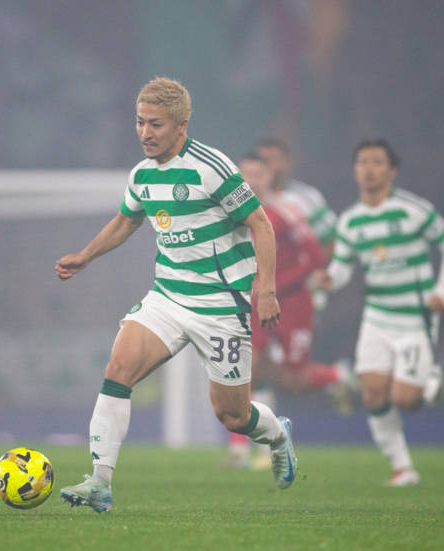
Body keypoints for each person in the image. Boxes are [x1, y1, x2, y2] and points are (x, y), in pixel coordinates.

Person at [55, 77, 298, 512]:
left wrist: (267, 290)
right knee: (118, 369)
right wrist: (86, 256)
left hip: (221, 305)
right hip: (167, 298)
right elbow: (127, 219)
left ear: (181, 125)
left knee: (233, 415)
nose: (145, 133)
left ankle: (278, 435)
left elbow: (261, 224)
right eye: (140, 122)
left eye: (156, 124)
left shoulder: (212, 167)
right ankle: (100, 482)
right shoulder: (142, 174)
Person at [313, 139, 444, 486]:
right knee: (372, 392)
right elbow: (343, 269)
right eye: (362, 162)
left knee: (405, 400)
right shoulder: (350, 221)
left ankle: (432, 376)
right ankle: (402, 468)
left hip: (415, 318)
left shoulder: (413, 210)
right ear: (355, 170)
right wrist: (330, 279)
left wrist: (443, 290)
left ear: (392, 171)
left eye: (377, 162)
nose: (369, 169)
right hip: (377, 317)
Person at [225, 153, 357, 469]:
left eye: (259, 174)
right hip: (254, 304)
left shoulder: (287, 211)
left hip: (293, 303)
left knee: (293, 379)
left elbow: (314, 258)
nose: (253, 180)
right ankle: (241, 451)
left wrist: (274, 286)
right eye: (246, 174)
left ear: (270, 178)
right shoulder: (229, 212)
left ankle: (337, 376)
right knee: (244, 370)